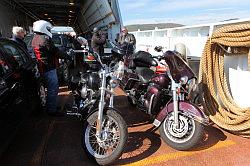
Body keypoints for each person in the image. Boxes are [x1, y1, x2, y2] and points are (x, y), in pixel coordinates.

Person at [31, 20, 72, 117]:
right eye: (48, 29)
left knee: (50, 89)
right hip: (48, 68)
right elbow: (56, 51)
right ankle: (52, 110)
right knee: (53, 89)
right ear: (43, 28)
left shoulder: (35, 38)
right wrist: (68, 56)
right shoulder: (45, 39)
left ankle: (51, 106)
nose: (49, 30)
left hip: (43, 67)